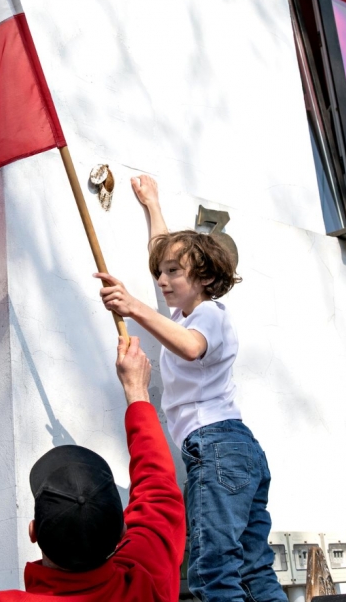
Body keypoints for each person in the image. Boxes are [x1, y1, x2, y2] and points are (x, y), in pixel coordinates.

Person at [95, 175, 287, 602]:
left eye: (172, 273)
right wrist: (152, 204)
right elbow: (161, 249)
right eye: (159, 273)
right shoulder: (183, 314)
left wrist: (133, 306)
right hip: (234, 450)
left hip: (217, 448)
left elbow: (190, 349)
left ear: (201, 277)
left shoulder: (210, 316)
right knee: (253, 568)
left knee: (213, 569)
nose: (162, 280)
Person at [0, 336, 185, 601]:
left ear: (33, 532)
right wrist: (137, 393)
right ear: (122, 533)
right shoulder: (146, 576)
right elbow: (159, 491)